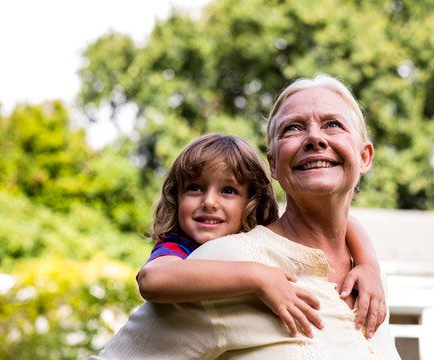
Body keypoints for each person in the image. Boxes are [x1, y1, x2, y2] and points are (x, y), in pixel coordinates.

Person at [90, 75, 400, 360]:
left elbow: (348, 223)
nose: (314, 138)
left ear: (364, 157)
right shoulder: (224, 262)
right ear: (273, 164)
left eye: (333, 124)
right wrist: (257, 277)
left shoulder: (370, 280)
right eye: (293, 127)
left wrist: (369, 265)